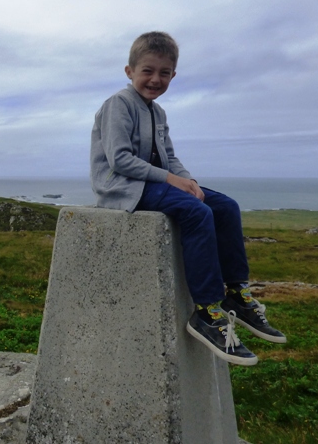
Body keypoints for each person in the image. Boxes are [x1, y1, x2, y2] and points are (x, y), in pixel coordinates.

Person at [90, 31, 286, 366]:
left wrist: (189, 180)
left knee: (224, 206)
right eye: (147, 71)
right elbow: (120, 159)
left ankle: (237, 294)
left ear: (173, 75)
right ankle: (207, 312)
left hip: (154, 183)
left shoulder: (159, 113)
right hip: (122, 187)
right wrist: (171, 179)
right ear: (129, 71)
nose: (155, 79)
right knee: (196, 213)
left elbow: (169, 156)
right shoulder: (118, 105)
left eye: (164, 73)